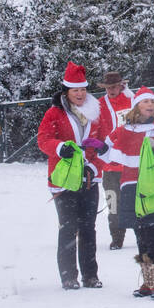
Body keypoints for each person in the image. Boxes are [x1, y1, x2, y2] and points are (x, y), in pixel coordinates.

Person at [101, 87, 154, 299]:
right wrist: (97, 148)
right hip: (131, 186)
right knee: (140, 233)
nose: (149, 105)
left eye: (152, 102)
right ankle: (147, 282)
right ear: (136, 106)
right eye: (145, 101)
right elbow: (108, 150)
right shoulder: (125, 130)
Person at [37, 61, 104, 290]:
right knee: (68, 227)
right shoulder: (54, 113)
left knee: (88, 228)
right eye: (75, 90)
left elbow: (105, 143)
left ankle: (90, 275)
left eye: (83, 89)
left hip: (89, 178)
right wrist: (59, 147)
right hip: (64, 179)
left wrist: (95, 165)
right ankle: (68, 276)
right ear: (66, 91)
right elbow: (43, 139)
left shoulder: (95, 112)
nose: (80, 94)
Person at [95, 70, 134, 249]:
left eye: (114, 86)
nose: (111, 90)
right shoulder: (99, 105)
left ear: (121, 86)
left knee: (134, 200)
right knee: (112, 202)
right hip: (109, 163)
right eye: (108, 87)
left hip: (129, 161)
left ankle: (142, 234)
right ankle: (117, 238)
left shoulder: (131, 101)